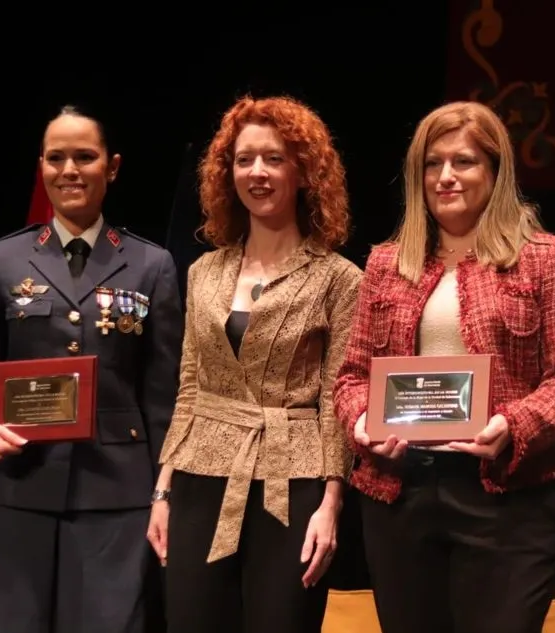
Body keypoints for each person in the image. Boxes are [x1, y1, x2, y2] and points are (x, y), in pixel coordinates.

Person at [333, 101, 555, 633]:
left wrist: (511, 426)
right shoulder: (386, 262)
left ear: (495, 173)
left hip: (505, 500)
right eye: (433, 164)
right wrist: (362, 422)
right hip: (400, 497)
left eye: (465, 162)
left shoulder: (543, 256)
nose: (445, 177)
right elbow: (352, 377)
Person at [0, 104, 183, 633]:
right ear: (41, 166)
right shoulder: (3, 260)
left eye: (85, 157)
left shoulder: (151, 264)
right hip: (16, 491)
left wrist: (164, 493)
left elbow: (166, 395)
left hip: (117, 497)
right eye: (56, 158)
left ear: (111, 167)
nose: (70, 170)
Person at [147, 95, 362, 633]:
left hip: (293, 483)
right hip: (198, 477)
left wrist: (332, 503)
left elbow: (339, 398)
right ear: (227, 173)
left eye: (274, 158)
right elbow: (190, 385)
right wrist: (164, 489)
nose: (257, 172)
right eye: (244, 160)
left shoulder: (339, 278)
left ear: (304, 172)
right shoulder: (202, 271)